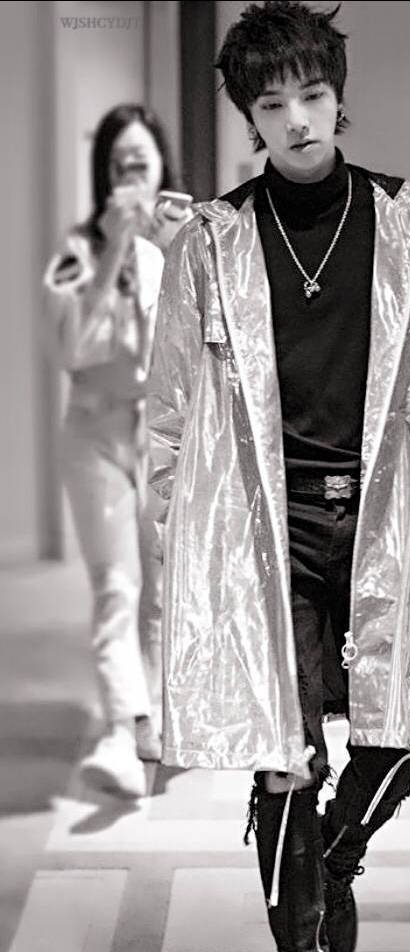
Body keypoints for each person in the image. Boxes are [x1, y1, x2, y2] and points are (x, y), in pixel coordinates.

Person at [148, 4, 410, 952]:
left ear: (337, 97)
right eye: (272, 103)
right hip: (263, 535)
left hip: (380, 523)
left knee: (395, 742)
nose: (296, 118)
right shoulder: (213, 240)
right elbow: (168, 414)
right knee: (284, 763)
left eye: (311, 95)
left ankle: (334, 860)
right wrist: (179, 560)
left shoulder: (409, 224)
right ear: (250, 118)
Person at [44, 104, 191, 800]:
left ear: (160, 167)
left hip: (156, 432)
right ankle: (122, 728)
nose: (131, 172)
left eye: (141, 160)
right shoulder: (76, 249)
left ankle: (151, 717)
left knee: (160, 586)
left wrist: (181, 248)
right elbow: (70, 349)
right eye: (118, 163)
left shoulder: (177, 245)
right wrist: (110, 252)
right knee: (117, 585)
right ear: (104, 175)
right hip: (94, 432)